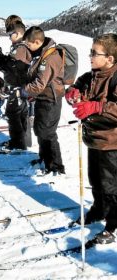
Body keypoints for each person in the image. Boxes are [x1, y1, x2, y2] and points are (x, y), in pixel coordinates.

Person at [65, 33, 117, 244]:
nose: (90, 56)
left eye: (95, 53)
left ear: (110, 58)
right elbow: (76, 87)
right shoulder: (90, 75)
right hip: (93, 138)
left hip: (111, 141)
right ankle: (98, 210)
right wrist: (72, 93)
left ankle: (113, 224)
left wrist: (95, 106)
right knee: (95, 180)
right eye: (90, 52)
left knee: (111, 186)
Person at [22, 26, 65, 175]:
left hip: (51, 100)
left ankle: (56, 167)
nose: (28, 47)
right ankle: (44, 158)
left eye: (29, 44)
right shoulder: (41, 53)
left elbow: (39, 84)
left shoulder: (50, 57)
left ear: (38, 41)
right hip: (43, 98)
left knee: (48, 133)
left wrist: (25, 89)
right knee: (40, 130)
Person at [3, 18, 32, 150]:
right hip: (22, 87)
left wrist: (3, 64)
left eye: (11, 34)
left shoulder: (20, 48)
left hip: (19, 87)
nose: (9, 37)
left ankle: (18, 143)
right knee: (21, 114)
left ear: (19, 34)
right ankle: (24, 142)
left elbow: (16, 69)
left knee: (13, 113)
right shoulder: (21, 46)